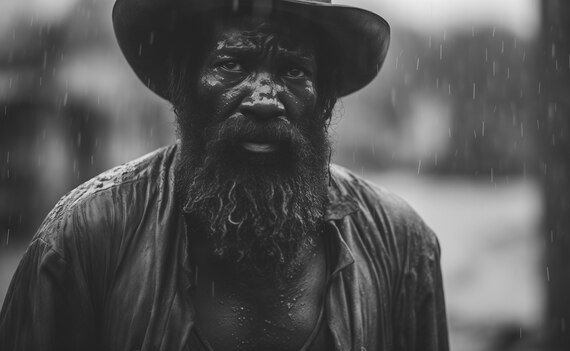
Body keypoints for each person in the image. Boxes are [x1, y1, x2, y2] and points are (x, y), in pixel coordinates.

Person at [0, 0, 449, 350]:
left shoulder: (403, 245)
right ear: (183, 85)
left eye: (294, 71)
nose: (264, 98)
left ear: (325, 99)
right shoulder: (82, 239)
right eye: (232, 64)